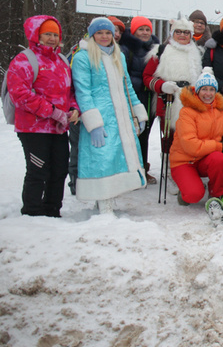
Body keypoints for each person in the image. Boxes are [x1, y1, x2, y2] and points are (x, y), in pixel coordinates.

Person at [72, 17, 150, 214]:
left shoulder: (118, 55)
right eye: (100, 33)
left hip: (121, 115)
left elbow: (127, 86)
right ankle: (103, 202)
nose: (105, 36)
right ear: (92, 35)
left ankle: (109, 198)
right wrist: (93, 122)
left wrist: (138, 112)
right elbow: (83, 91)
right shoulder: (83, 57)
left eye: (108, 32)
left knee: (117, 156)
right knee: (101, 157)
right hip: (100, 116)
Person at [7, 15, 79, 217]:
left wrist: (74, 108)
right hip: (33, 128)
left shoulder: (61, 60)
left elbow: (70, 91)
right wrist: (53, 112)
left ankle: (52, 211)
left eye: (55, 35)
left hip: (58, 127)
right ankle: (32, 212)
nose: (52, 38)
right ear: (36, 35)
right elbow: (20, 95)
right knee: (38, 170)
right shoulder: (24, 60)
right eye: (47, 34)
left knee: (59, 170)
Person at [169, 68, 223, 206]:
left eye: (211, 89)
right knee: (193, 195)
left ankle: (217, 193)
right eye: (204, 89)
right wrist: (220, 146)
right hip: (185, 161)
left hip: (206, 159)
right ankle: (187, 188)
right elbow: (190, 145)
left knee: (220, 159)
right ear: (198, 91)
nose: (208, 94)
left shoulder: (221, 110)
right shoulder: (187, 112)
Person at [143, 15, 204, 159]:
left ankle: (186, 163)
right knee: (169, 137)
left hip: (190, 100)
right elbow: (147, 77)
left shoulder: (198, 52)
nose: (182, 35)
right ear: (172, 33)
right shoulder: (161, 51)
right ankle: (169, 161)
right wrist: (162, 86)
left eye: (186, 32)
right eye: (178, 32)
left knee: (189, 135)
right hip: (168, 100)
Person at [119, 15, 160, 184]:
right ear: (134, 31)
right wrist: (142, 82)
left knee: (145, 134)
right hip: (133, 97)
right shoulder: (126, 48)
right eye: (140, 29)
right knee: (132, 134)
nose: (144, 32)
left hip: (150, 96)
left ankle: (142, 168)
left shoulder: (155, 49)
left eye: (147, 29)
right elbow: (123, 74)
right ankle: (130, 170)